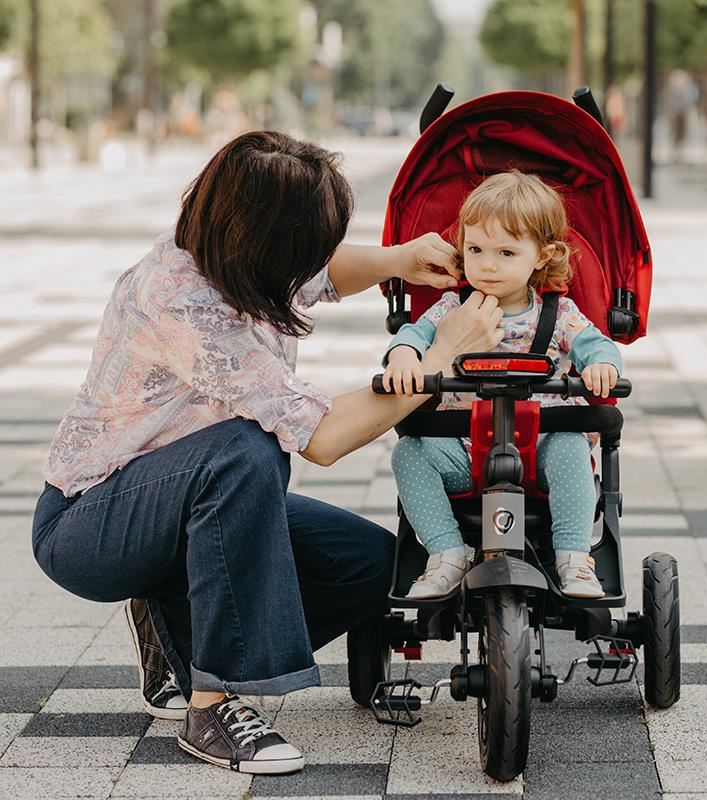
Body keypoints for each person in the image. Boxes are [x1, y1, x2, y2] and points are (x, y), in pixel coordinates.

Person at [31, 130, 505, 775]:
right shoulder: (181, 300)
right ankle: (213, 702)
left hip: (181, 501)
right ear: (268, 241)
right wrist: (441, 355)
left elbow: (323, 276)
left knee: (374, 567)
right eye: (310, 243)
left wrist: (397, 259)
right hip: (91, 523)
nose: (317, 261)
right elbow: (324, 438)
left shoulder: (234, 258)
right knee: (248, 450)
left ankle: (178, 632)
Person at [381, 171, 623, 600]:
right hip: (463, 446)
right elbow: (414, 335)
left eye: (506, 252)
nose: (487, 264)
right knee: (408, 453)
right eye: (475, 249)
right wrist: (404, 356)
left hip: (543, 447)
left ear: (542, 256)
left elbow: (597, 346)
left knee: (571, 446)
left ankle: (572, 558)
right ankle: (446, 552)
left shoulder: (560, 314)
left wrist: (601, 366)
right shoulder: (454, 307)